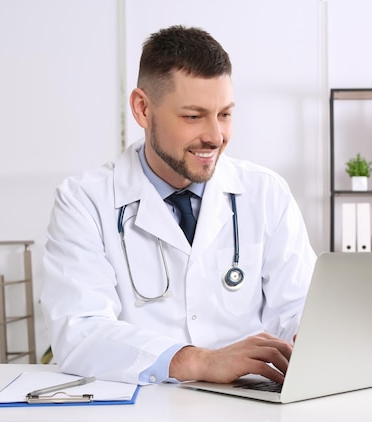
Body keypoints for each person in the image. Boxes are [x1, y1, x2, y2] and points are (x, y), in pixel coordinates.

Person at [41, 25, 316, 386]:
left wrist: (315, 345)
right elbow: (79, 330)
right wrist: (198, 362)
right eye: (193, 116)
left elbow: (299, 308)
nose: (215, 136)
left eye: (225, 114)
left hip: (248, 402)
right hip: (141, 403)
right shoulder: (84, 201)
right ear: (142, 109)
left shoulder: (266, 193)